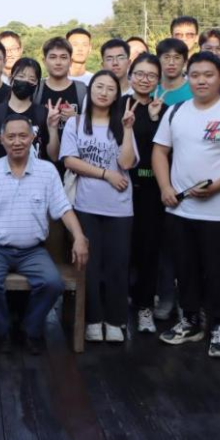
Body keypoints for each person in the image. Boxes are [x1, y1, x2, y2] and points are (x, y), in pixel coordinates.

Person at [153, 51, 220, 359]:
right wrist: (165, 187)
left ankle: (219, 326)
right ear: (188, 78)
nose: (201, 81)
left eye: (208, 75)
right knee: (185, 268)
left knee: (219, 271)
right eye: (195, 75)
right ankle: (190, 321)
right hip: (180, 209)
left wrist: (218, 186)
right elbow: (159, 151)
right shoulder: (176, 112)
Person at [0, 113, 90, 354]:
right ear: (2, 140)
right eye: (11, 137)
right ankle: (2, 330)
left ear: (32, 138)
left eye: (22, 136)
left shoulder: (47, 171)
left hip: (33, 252)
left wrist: (79, 237)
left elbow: (63, 209)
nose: (17, 141)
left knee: (53, 283)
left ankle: (31, 329)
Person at [60, 71, 137, 343]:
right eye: (99, 87)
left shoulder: (122, 123)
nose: (103, 92)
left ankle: (115, 320)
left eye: (110, 89)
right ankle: (92, 319)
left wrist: (128, 129)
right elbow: (69, 160)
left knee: (118, 264)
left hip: (119, 207)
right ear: (90, 90)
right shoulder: (76, 123)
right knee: (88, 264)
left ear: (117, 95)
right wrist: (106, 174)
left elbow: (126, 163)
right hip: (85, 204)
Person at [126, 54, 167, 332]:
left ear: (158, 80)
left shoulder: (165, 110)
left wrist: (154, 119)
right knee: (122, 251)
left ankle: (145, 307)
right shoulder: (118, 105)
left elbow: (165, 150)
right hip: (121, 189)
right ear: (130, 76)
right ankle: (116, 304)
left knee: (149, 251)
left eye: (151, 75)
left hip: (153, 192)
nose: (145, 79)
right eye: (139, 74)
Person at [0, 57, 60, 163]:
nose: (26, 81)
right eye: (21, 76)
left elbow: (54, 156)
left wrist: (52, 128)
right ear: (11, 78)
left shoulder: (43, 113)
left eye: (32, 79)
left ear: (37, 84)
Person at [36, 37, 85, 128]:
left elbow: (95, 124)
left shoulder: (83, 90)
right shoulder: (35, 90)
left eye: (63, 57)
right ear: (44, 61)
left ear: (70, 62)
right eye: (53, 57)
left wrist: (76, 119)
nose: (58, 62)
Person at [155, 38, 193, 106]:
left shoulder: (194, 91)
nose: (171, 63)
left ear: (185, 62)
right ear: (158, 61)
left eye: (177, 57)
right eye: (166, 57)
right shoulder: (151, 91)